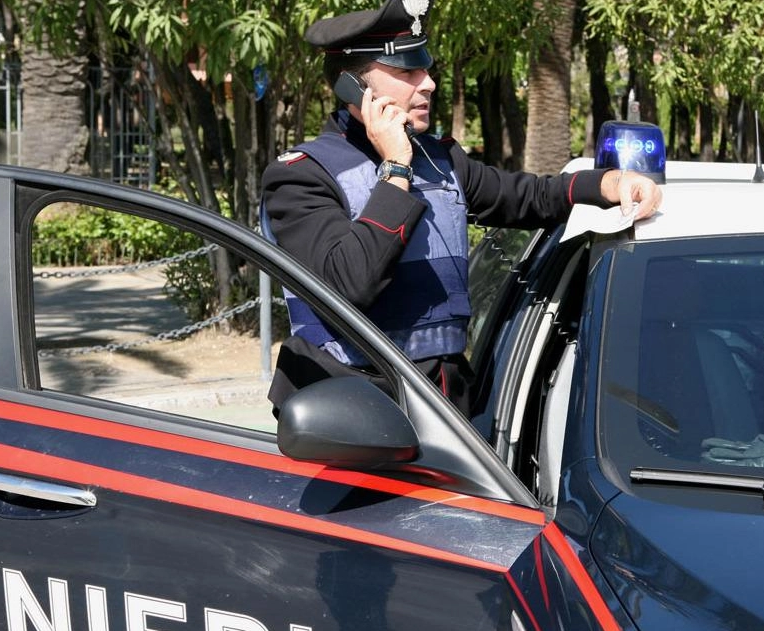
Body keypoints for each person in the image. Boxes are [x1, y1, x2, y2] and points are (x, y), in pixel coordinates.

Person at [260, 0, 661, 415]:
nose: (429, 83)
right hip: (346, 410)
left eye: (426, 69)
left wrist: (611, 182)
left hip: (443, 404)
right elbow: (350, 283)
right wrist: (395, 168)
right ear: (353, 88)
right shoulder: (302, 176)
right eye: (407, 72)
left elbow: (530, 197)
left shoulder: (440, 159)